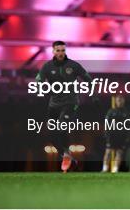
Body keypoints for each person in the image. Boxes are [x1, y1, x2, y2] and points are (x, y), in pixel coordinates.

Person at [35, 40, 92, 172]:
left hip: (70, 102)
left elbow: (87, 77)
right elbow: (39, 79)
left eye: (63, 50)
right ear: (53, 51)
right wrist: (40, 88)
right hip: (54, 104)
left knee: (61, 127)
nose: (61, 53)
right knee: (51, 133)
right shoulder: (47, 67)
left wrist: (91, 89)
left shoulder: (73, 65)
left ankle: (67, 157)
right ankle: (66, 155)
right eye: (58, 50)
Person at [102, 95, 130, 173]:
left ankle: (115, 169)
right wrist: (107, 134)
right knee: (108, 152)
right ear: (116, 101)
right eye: (118, 100)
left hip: (121, 136)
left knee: (119, 153)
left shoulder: (126, 113)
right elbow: (107, 124)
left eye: (121, 100)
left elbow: (128, 126)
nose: (120, 102)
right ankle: (104, 168)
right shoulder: (111, 112)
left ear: (123, 101)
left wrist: (127, 136)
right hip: (112, 136)